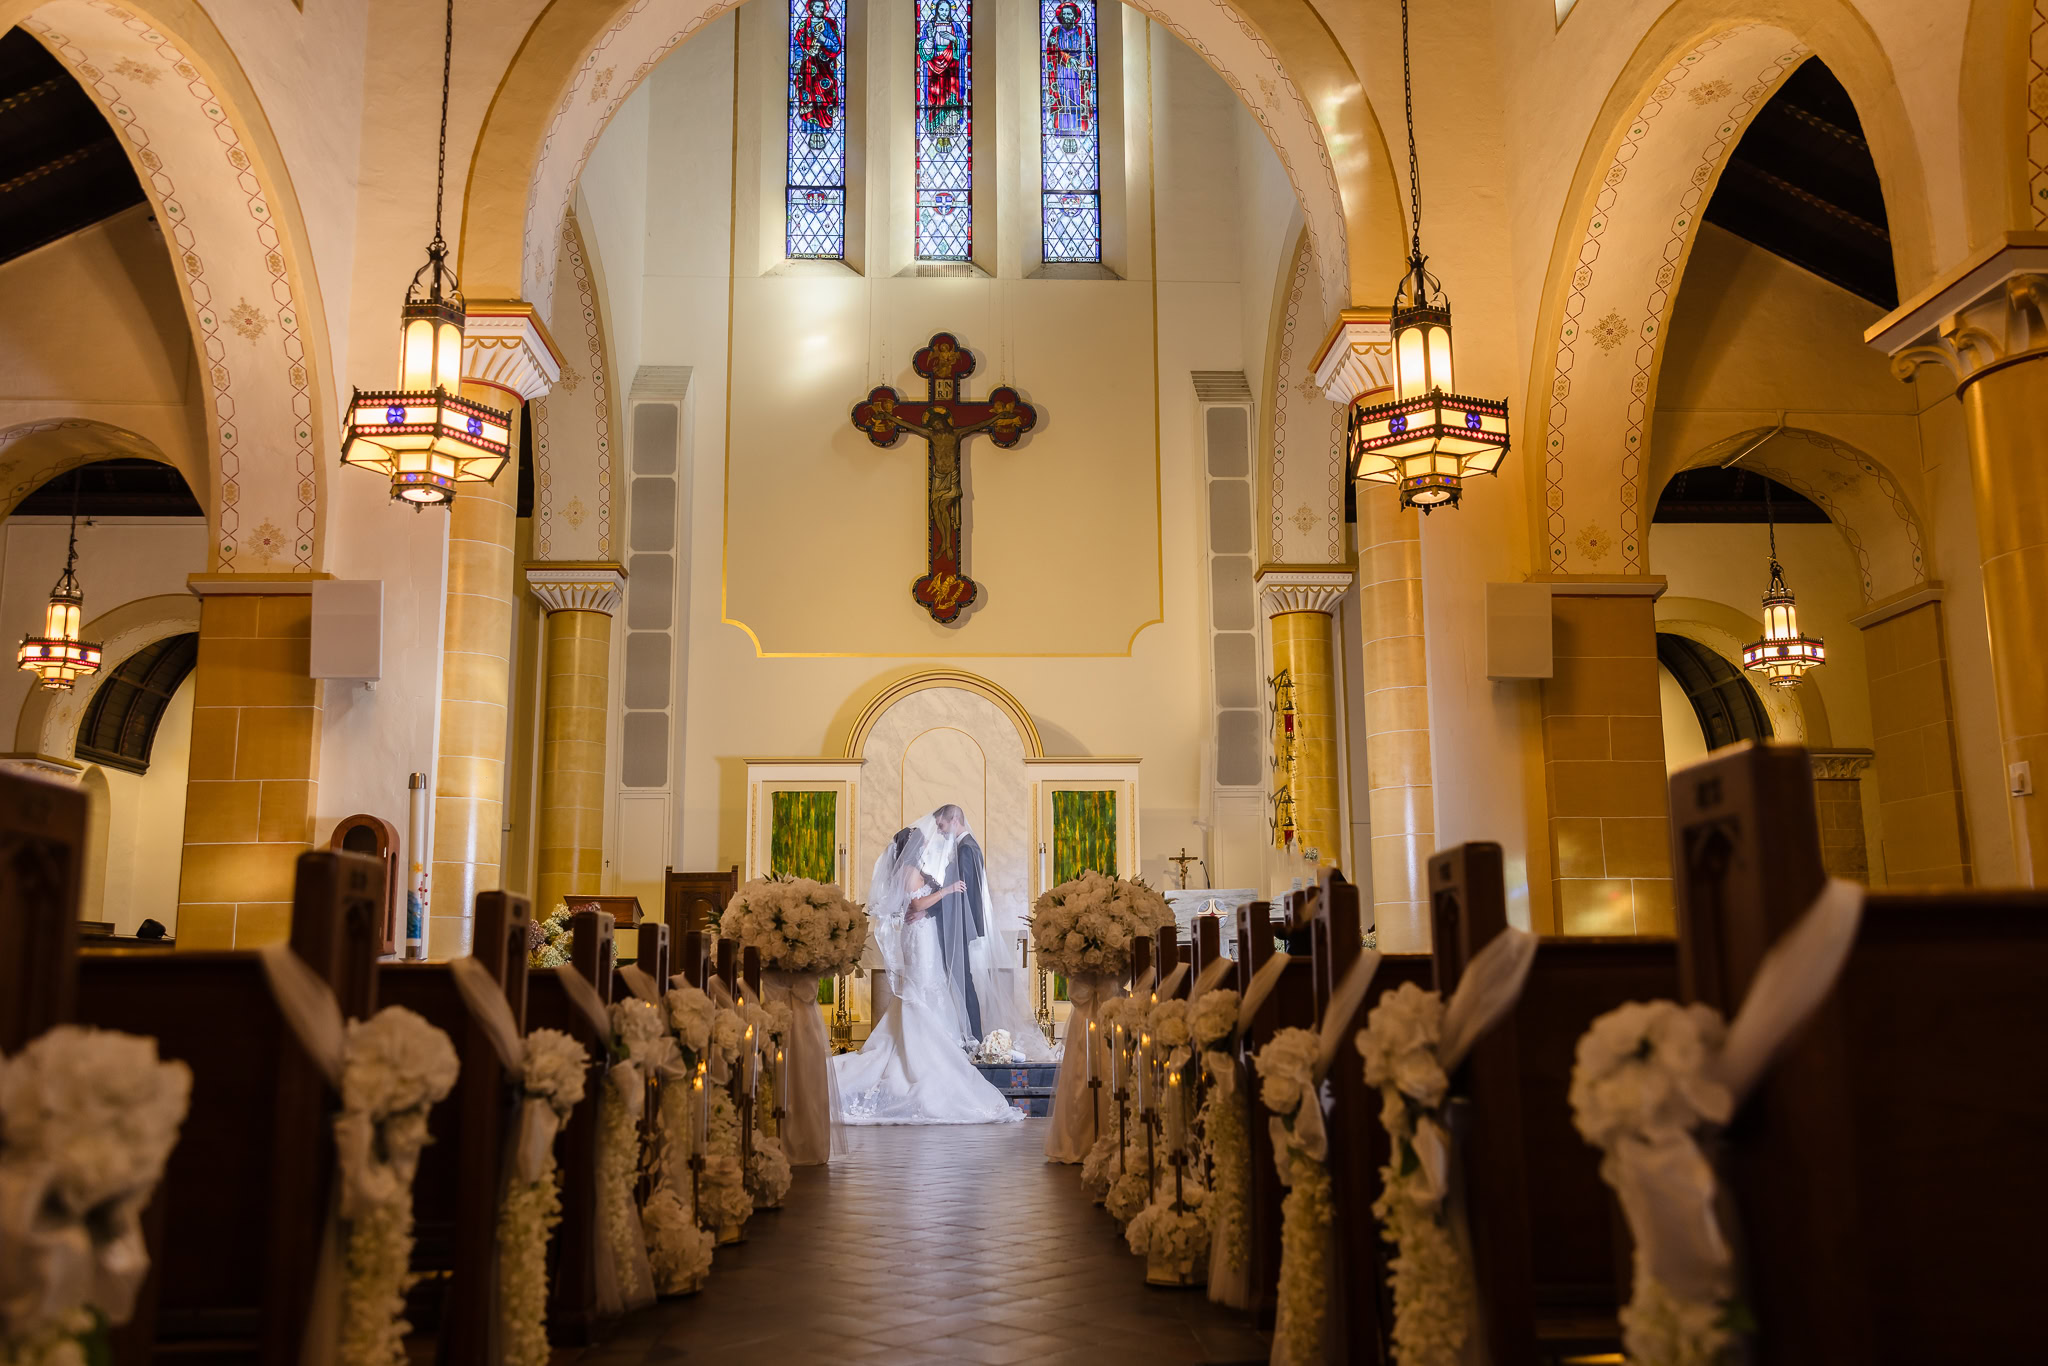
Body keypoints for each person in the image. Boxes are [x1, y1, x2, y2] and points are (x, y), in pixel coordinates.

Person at [832, 820, 1023, 1125]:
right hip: (919, 937)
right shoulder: (908, 871)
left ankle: (927, 1046)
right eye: (921, 843)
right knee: (922, 989)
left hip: (925, 934)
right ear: (912, 846)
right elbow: (917, 901)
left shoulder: (915, 868)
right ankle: (923, 1056)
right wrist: (947, 890)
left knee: (931, 988)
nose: (925, 845)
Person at [931, 804, 1055, 1062]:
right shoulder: (969, 847)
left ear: (954, 820)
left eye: (942, 826)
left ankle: (973, 1036)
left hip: (961, 927)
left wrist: (932, 907)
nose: (941, 832)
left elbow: (962, 895)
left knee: (963, 984)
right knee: (963, 983)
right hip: (965, 927)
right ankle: (971, 1035)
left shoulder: (966, 850)